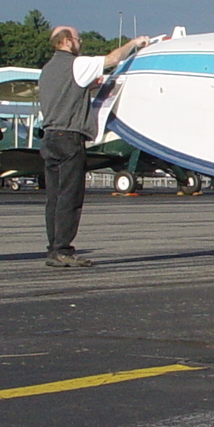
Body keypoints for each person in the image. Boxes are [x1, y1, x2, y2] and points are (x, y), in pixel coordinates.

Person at [37, 24, 149, 267]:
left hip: (50, 137)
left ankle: (53, 248)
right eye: (78, 38)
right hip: (70, 138)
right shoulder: (76, 63)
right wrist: (135, 43)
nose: (81, 43)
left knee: (54, 198)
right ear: (66, 41)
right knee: (70, 196)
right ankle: (64, 250)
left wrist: (89, 88)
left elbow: (65, 93)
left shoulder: (46, 71)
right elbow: (112, 59)